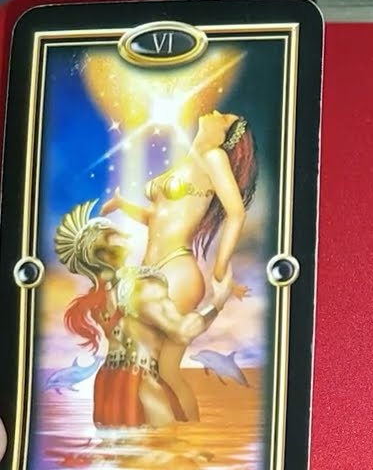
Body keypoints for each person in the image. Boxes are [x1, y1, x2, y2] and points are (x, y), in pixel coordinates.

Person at [102, 110, 257, 423]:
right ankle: (172, 435)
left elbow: (236, 213)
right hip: (150, 271)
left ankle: (189, 435)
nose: (216, 112)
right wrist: (122, 204)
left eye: (224, 118)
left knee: (166, 369)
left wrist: (220, 269)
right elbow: (155, 218)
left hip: (177, 268)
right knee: (155, 366)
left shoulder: (212, 157)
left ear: (226, 137)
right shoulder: (188, 161)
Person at [54, 200, 235, 428]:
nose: (124, 234)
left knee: (118, 446)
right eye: (114, 233)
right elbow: (182, 331)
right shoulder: (140, 285)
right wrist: (217, 302)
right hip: (140, 380)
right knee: (166, 444)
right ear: (103, 252)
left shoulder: (98, 299)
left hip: (107, 383)